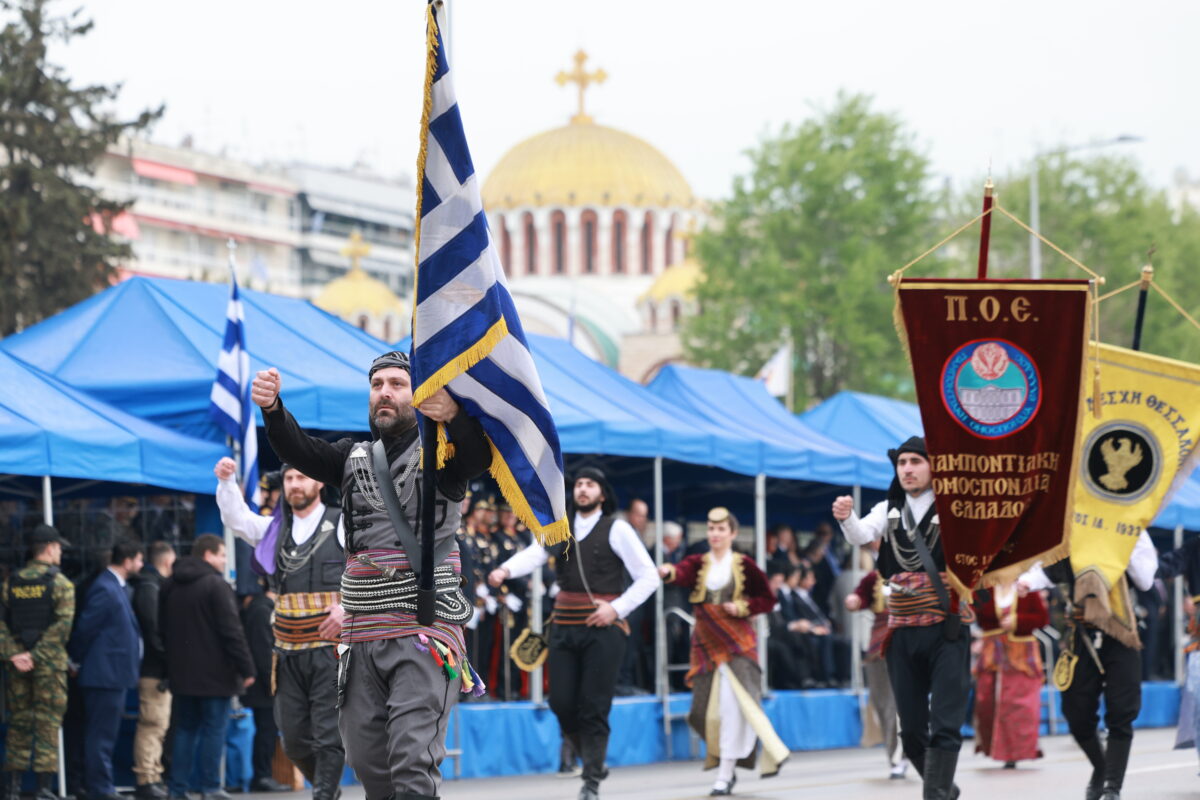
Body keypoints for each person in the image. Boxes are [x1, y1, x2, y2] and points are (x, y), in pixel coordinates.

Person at [255, 351, 492, 800]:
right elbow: (300, 450)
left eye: (397, 384)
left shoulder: (442, 451)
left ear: (417, 394)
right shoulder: (351, 456)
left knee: (411, 758)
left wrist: (455, 416)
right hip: (363, 631)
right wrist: (273, 411)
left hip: (424, 627)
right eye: (378, 383)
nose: (385, 392)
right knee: (368, 761)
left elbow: (479, 456)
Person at [488, 468, 659, 800]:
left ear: (602, 494)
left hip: (603, 629)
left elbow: (649, 576)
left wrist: (617, 608)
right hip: (564, 626)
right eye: (579, 484)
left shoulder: (618, 528)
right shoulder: (559, 528)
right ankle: (592, 760)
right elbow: (534, 555)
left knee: (594, 705)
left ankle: (591, 779)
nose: (582, 489)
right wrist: (505, 569)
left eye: (590, 484)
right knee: (561, 702)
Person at [832, 436, 970, 800]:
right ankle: (942, 786)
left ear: (933, 467)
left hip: (947, 628)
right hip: (902, 630)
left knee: (945, 725)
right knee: (910, 734)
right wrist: (847, 518)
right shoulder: (887, 509)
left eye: (915, 462)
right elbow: (862, 534)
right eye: (902, 463)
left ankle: (935, 793)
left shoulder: (957, 509)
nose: (907, 469)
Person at [215, 456, 346, 799]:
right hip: (287, 650)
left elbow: (371, 566)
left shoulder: (344, 523)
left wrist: (349, 608)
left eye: (301, 477)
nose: (294, 484)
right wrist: (227, 484)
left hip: (330, 650)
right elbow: (237, 520)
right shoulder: (274, 529)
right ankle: (326, 786)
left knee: (328, 733)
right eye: (288, 478)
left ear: (319, 483)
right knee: (293, 738)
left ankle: (324, 793)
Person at [658, 508, 789, 796]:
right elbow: (679, 573)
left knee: (734, 708)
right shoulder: (697, 563)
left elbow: (767, 598)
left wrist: (742, 607)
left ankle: (725, 773)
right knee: (703, 710)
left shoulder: (745, 565)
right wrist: (667, 571)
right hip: (706, 644)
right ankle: (725, 762)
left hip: (737, 643)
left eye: (720, 530)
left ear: (731, 533)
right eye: (711, 529)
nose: (715, 534)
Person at [1032, 531, 1159, 800]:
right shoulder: (1067, 527)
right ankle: (1102, 769)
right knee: (1075, 713)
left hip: (1122, 632)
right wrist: (1018, 581)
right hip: (1080, 633)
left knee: (1122, 711)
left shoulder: (1130, 524)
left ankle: (1112, 787)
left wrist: (1124, 537)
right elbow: (1040, 571)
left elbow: (1146, 580)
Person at [161, 535, 255, 800]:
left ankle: (177, 788)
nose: (225, 561)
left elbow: (161, 629)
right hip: (217, 675)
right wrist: (247, 669)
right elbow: (232, 632)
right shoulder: (216, 586)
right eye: (222, 555)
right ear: (208, 555)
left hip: (181, 674)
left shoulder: (169, 585)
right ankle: (210, 786)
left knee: (184, 730)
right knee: (214, 730)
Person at [0, 525, 75, 800]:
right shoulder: (61, 584)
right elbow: (62, 627)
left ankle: (12, 789)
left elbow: (1, 624)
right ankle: (43, 789)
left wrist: (14, 654)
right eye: (59, 548)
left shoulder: (12, 582)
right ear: (50, 548)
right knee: (47, 723)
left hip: (17, 664)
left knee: (18, 724)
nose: (61, 553)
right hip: (49, 666)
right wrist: (37, 655)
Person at [68, 539, 144, 800]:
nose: (141, 564)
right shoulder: (105, 588)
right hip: (104, 675)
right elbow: (86, 628)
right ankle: (100, 789)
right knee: (101, 736)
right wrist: (74, 661)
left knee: (104, 735)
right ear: (127, 561)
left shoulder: (116, 587)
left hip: (113, 673)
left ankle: (101, 786)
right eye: (139, 559)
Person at [970, 579, 1049, 768]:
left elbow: (1042, 618)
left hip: (1021, 655)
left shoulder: (1026, 588)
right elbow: (975, 613)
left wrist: (1017, 621)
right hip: (992, 653)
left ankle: (1016, 752)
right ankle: (994, 747)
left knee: (1019, 705)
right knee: (986, 702)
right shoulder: (985, 588)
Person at [845, 568, 907, 779]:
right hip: (879, 649)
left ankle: (911, 751)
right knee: (885, 705)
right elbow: (860, 596)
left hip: (911, 646)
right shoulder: (874, 577)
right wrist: (854, 600)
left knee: (910, 703)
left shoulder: (922, 571)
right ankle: (896, 757)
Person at [131, 541, 176, 799]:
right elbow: (153, 629)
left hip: (154, 667)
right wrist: (167, 658)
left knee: (158, 725)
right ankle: (147, 779)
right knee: (152, 725)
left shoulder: (150, 585)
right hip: (153, 670)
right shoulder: (151, 587)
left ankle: (153, 776)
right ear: (167, 562)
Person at [240, 580, 291, 792]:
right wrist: (272, 682)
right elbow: (263, 652)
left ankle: (263, 775)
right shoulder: (262, 611)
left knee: (267, 730)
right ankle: (262, 776)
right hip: (264, 684)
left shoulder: (260, 608)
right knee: (266, 730)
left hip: (263, 682)